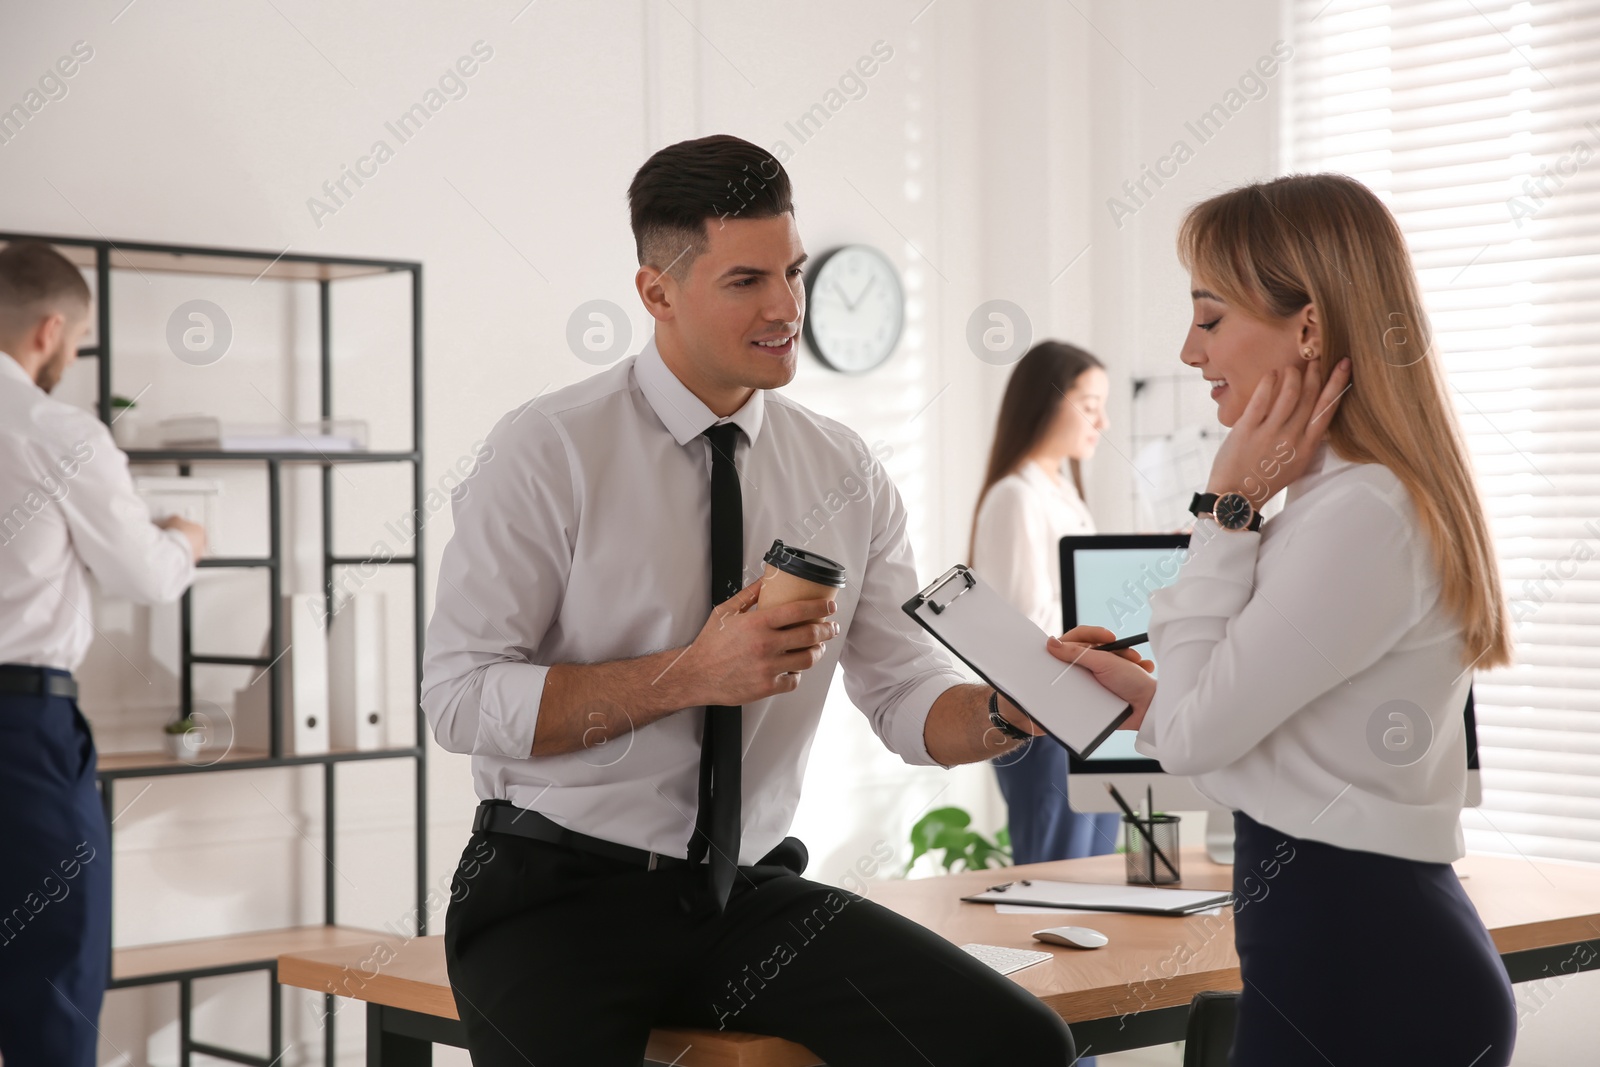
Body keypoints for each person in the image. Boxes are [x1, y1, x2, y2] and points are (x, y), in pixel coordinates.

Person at [421, 135, 1094, 1066]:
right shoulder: (548, 450)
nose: (787, 308)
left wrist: (1005, 710)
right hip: (554, 890)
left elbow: (903, 697)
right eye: (746, 281)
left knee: (1016, 1044)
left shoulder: (844, 469)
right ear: (657, 291)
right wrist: (688, 675)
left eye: (794, 272)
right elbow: (457, 701)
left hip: (744, 895)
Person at [1049, 173, 1517, 1066]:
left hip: (1363, 967)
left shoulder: (1363, 513)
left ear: (1308, 325)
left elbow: (1195, 744)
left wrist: (1225, 508)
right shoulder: (1347, 502)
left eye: (1211, 316)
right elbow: (1282, 737)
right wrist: (1153, 698)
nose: (1190, 351)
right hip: (1350, 951)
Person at [0, 241, 205, 1066]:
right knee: (53, 971)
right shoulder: (53, 431)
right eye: (78, 342)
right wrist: (186, 538)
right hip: (20, 734)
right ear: (52, 330)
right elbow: (146, 574)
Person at [970, 341, 1120, 864]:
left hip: (1086, 712)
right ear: (1046, 401)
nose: (1102, 420)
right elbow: (1027, 630)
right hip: (1045, 721)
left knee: (1094, 875)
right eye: (1089, 402)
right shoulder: (1016, 496)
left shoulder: (1063, 493)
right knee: (1057, 882)